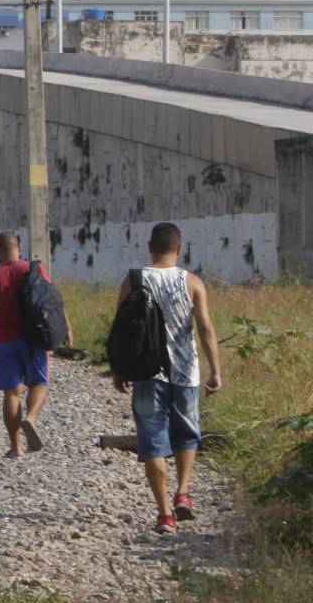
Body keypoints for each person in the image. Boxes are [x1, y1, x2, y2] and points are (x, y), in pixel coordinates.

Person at [113, 222, 222, 534]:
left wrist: (119, 369)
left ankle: (164, 516)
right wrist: (215, 371)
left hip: (146, 374)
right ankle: (183, 492)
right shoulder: (192, 282)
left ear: (150, 247)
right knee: (187, 434)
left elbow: (121, 330)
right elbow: (206, 329)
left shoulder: (134, 279)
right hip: (186, 373)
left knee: (153, 442)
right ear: (179, 248)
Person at [0, 232, 72, 458]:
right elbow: (52, 299)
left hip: (4, 341)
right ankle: (31, 418)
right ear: (18, 247)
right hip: (34, 337)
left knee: (12, 393)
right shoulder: (33, 270)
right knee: (39, 382)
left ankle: (16, 447)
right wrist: (66, 326)